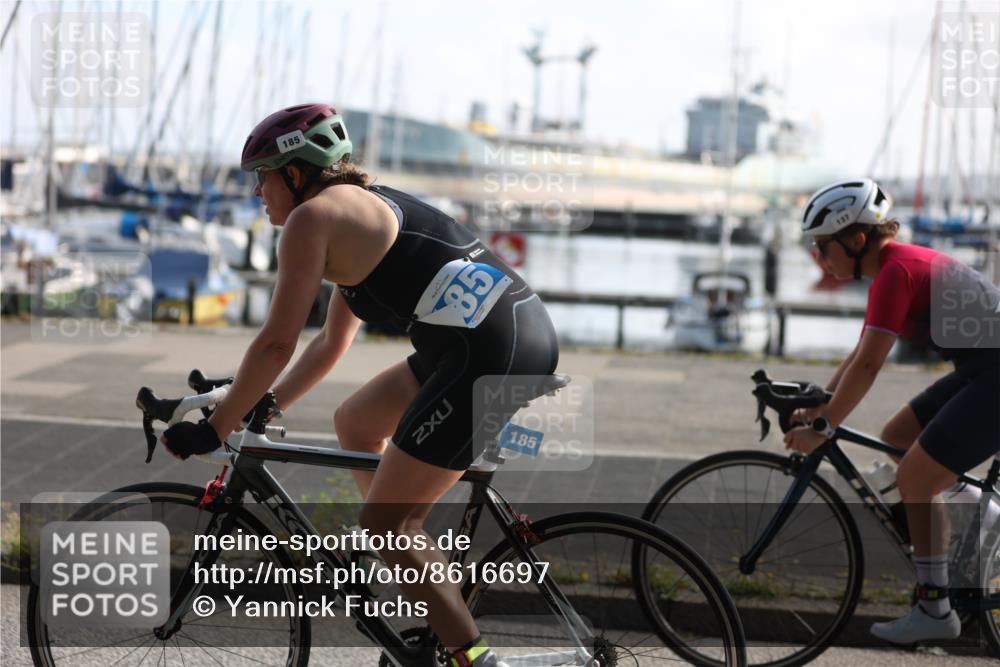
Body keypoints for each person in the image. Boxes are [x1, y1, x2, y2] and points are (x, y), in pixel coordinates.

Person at [161, 103, 559, 667]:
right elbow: (329, 343)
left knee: (387, 523)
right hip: (485, 342)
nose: (257, 193)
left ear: (295, 174)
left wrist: (214, 429)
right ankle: (418, 573)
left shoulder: (311, 220)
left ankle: (471, 655)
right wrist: (263, 403)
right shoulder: (349, 212)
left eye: (262, 177)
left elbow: (277, 343)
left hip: (493, 354)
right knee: (355, 422)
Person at [783, 178, 1000, 644]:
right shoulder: (894, 268)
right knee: (897, 436)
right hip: (984, 366)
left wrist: (825, 426)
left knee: (915, 479)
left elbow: (869, 365)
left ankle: (934, 608)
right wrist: (823, 401)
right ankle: (986, 515)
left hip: (994, 373)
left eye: (823, 247)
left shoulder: (895, 273)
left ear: (856, 240)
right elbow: (862, 351)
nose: (820, 257)